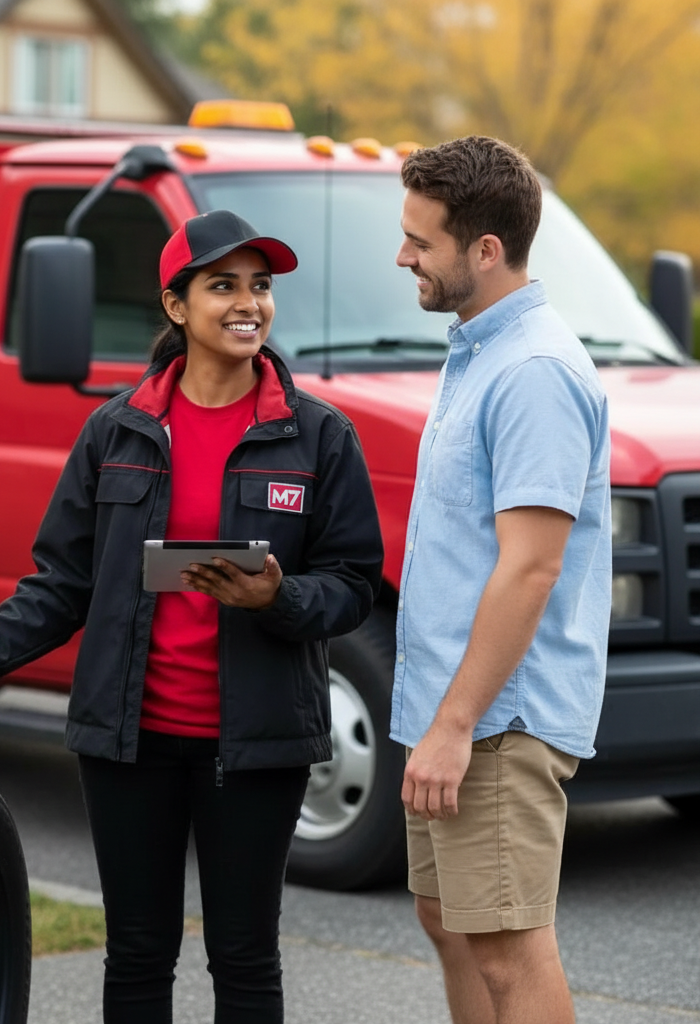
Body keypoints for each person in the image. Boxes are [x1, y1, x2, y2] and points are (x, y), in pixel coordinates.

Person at [0, 209, 384, 1024]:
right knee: (140, 954)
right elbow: (62, 583)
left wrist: (278, 598)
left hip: (256, 748)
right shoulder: (116, 430)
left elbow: (354, 583)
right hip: (128, 744)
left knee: (246, 956)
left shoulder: (319, 437)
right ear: (177, 306)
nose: (248, 302)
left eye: (260, 286)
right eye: (223, 285)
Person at [391, 135, 611, 1024]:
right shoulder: (479, 351)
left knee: (509, 948)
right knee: (449, 921)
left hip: (494, 719)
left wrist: (453, 726)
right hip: (452, 710)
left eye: (421, 240)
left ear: (486, 249)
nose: (402, 254)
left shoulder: (533, 373)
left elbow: (531, 567)